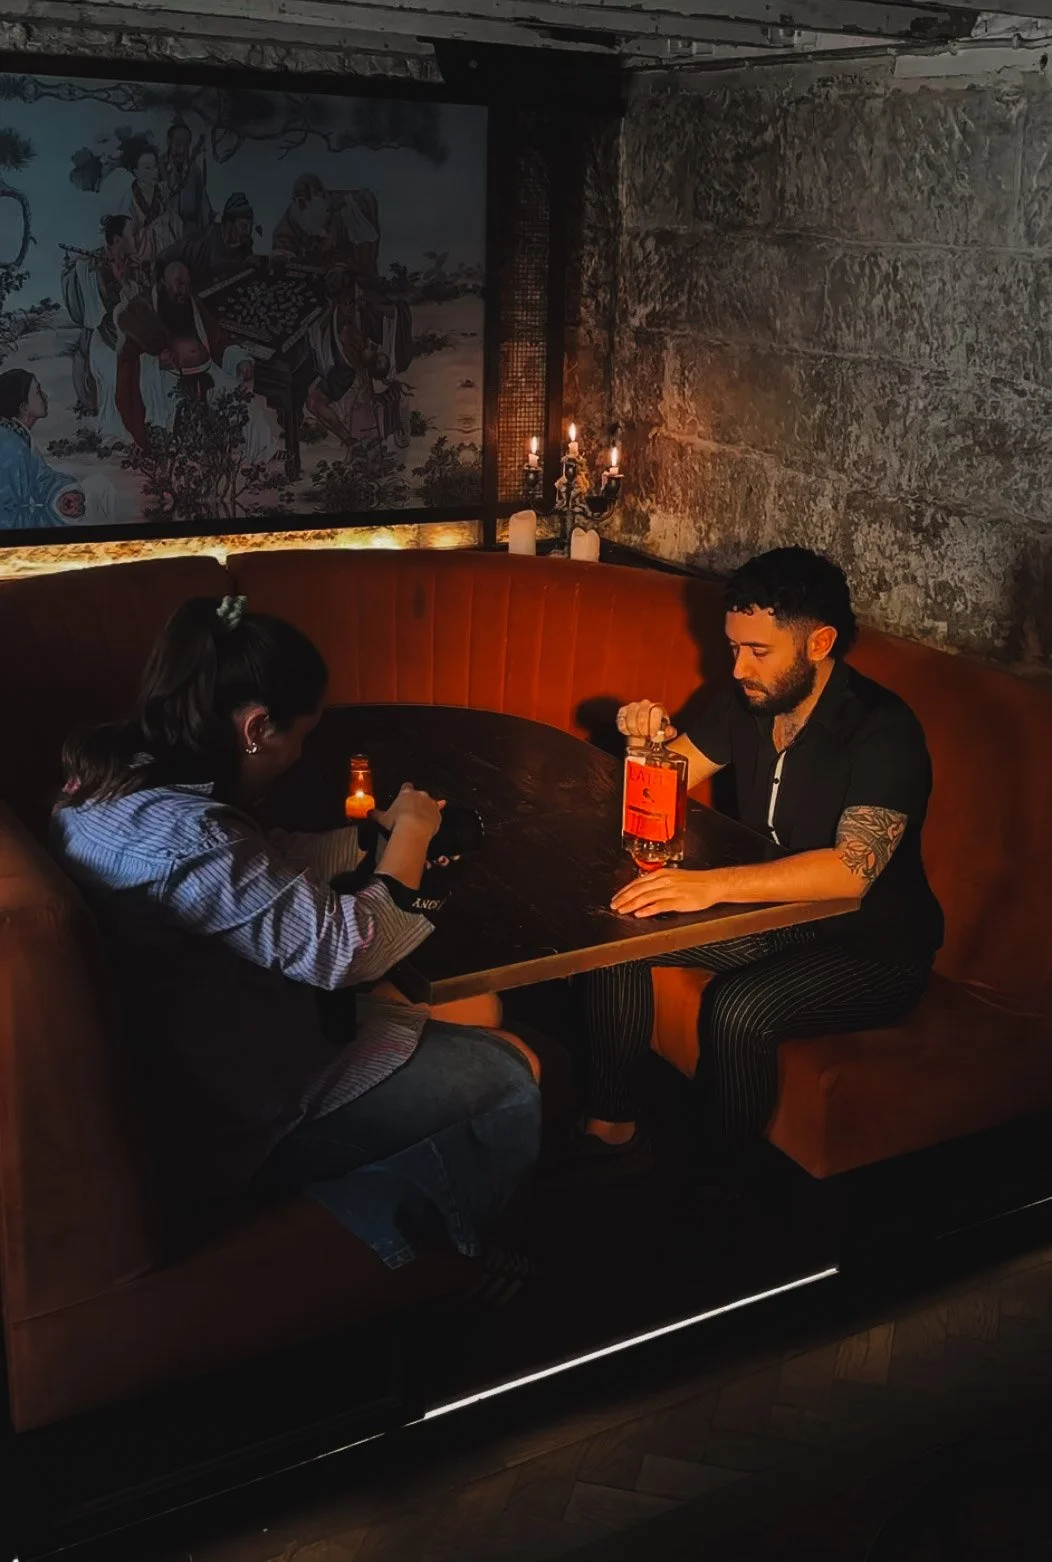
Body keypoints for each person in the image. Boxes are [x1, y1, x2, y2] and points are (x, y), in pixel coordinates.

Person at [51, 596, 541, 1274]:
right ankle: (386, 1247)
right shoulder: (192, 836)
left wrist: (377, 839)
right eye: (301, 734)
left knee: (480, 1016)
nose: (299, 752)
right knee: (510, 1078)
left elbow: (265, 864)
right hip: (230, 1115)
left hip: (193, 1054)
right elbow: (349, 950)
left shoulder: (109, 782)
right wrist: (416, 838)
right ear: (256, 728)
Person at [574, 547, 943, 1183]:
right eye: (733, 647)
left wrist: (708, 887)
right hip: (776, 916)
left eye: (759, 651)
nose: (739, 667)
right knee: (622, 935)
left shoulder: (883, 730)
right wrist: (643, 744)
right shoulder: (744, 700)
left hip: (872, 946)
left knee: (739, 1008)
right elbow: (666, 786)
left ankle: (723, 1187)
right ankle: (613, 1130)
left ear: (820, 642)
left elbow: (851, 872)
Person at [132, 260, 278, 465]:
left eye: (187, 284)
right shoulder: (145, 306)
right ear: (163, 282)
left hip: (208, 370)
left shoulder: (192, 304)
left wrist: (239, 361)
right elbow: (131, 352)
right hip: (168, 378)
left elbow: (218, 341)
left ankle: (259, 457)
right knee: (176, 427)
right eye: (178, 284)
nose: (184, 290)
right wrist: (154, 360)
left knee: (243, 402)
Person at [0, 369, 87, 527]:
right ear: (24, 407)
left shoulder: (18, 438)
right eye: (38, 392)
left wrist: (63, 496)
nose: (45, 396)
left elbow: (40, 478)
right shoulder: (10, 444)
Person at [272, 173, 380, 277]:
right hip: (311, 275)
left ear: (320, 195)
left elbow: (364, 256)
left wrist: (342, 267)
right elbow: (283, 239)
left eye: (304, 199)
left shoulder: (349, 207)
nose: (301, 206)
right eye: (297, 200)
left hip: (345, 278)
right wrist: (282, 256)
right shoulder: (295, 212)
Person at [162, 192, 256, 291]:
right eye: (244, 226)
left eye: (250, 226)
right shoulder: (201, 240)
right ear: (229, 224)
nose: (248, 232)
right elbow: (164, 257)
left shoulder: (245, 247)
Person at [117, 143, 182, 264]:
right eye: (148, 168)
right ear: (136, 172)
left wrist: (168, 205)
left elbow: (176, 225)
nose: (154, 172)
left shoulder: (162, 193)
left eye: (155, 167)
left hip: (168, 253)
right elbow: (127, 240)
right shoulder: (128, 201)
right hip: (143, 260)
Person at [162, 118, 213, 236]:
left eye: (186, 145)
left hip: (190, 236)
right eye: (178, 144)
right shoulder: (158, 168)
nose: (182, 150)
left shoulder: (195, 172)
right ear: (169, 142)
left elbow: (204, 208)